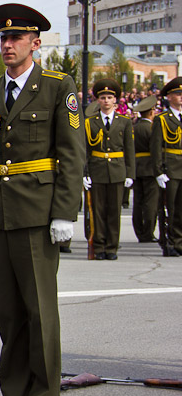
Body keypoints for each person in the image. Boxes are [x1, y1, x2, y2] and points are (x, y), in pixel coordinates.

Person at [0, 4, 84, 396]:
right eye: (3, 38)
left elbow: (71, 153)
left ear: (35, 43)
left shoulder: (57, 86)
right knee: (8, 310)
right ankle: (14, 393)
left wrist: (65, 213)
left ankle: (43, 395)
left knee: (39, 309)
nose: (7, 45)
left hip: (38, 211)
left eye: (16, 38)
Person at [83, 79, 134, 260]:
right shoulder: (90, 122)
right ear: (98, 100)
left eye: (110, 98)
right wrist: (84, 173)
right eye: (103, 97)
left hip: (117, 170)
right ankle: (99, 247)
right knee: (97, 211)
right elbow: (85, 150)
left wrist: (130, 173)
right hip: (97, 170)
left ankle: (112, 247)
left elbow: (129, 149)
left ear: (115, 100)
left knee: (114, 211)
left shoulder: (124, 122)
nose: (106, 101)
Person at [151, 77, 182, 256]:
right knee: (170, 208)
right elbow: (156, 148)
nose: (181, 97)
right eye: (178, 94)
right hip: (170, 169)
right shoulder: (162, 119)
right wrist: (158, 172)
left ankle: (180, 242)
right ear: (169, 97)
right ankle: (170, 242)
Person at [131, 95, 159, 243]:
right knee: (151, 202)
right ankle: (148, 232)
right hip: (150, 168)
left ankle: (139, 231)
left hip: (136, 167)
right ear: (151, 112)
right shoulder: (152, 128)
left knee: (138, 201)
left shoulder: (134, 128)